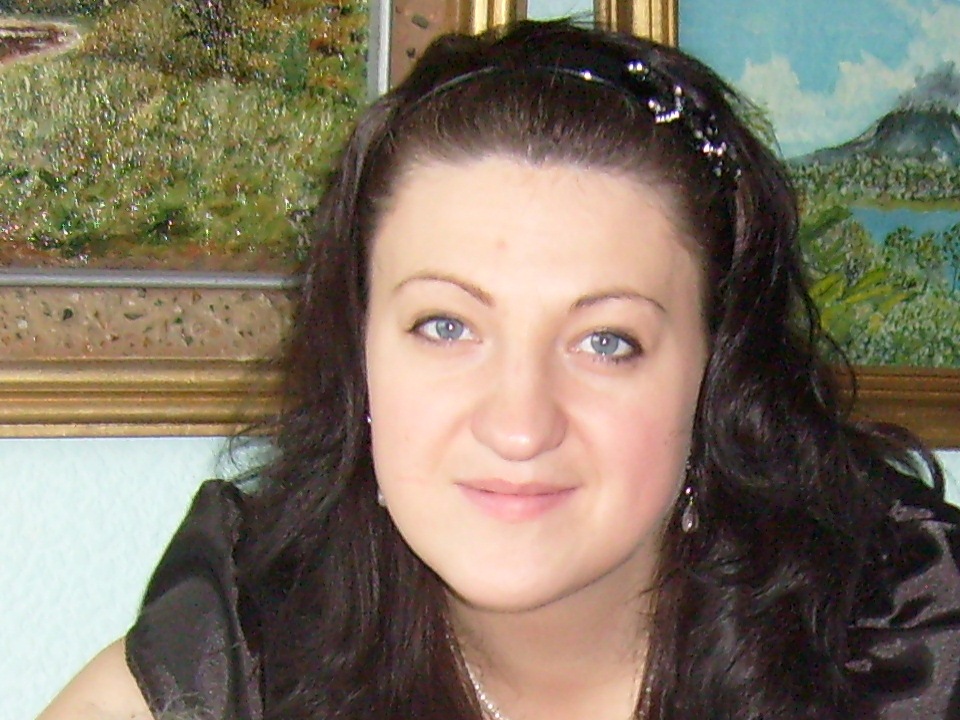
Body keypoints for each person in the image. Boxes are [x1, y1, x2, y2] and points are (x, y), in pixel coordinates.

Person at [39, 18, 960, 720]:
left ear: (715, 376)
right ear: (360, 356)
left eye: (607, 342)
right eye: (446, 326)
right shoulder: (233, 665)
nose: (519, 424)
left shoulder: (909, 652)